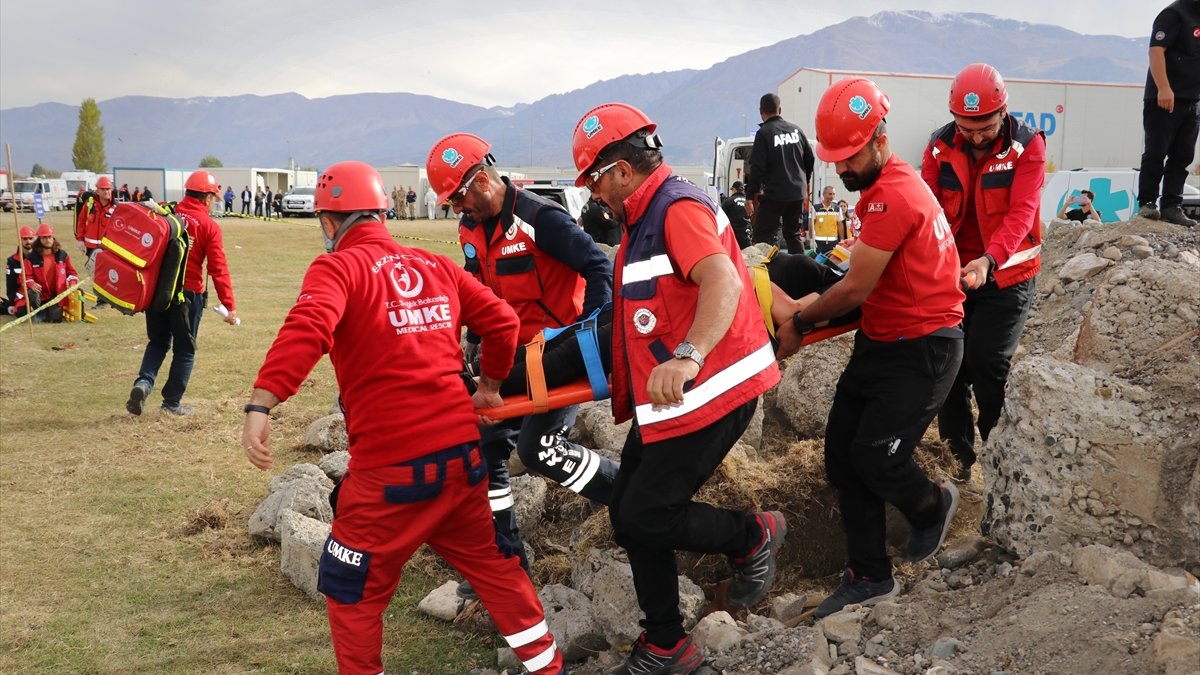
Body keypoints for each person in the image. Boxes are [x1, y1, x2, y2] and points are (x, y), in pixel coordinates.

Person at [241, 161, 564, 675]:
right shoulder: (433, 265)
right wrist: (488, 388)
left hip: (391, 474)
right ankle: (549, 667)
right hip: (461, 461)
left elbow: (309, 326)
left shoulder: (337, 269)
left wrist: (262, 402)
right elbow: (503, 321)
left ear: (328, 222)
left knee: (350, 590)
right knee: (496, 571)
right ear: (383, 213)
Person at [571, 102, 785, 673]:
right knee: (630, 510)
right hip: (677, 397)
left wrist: (689, 355)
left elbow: (720, 279)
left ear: (620, 169)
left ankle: (751, 535)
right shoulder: (647, 214)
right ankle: (666, 641)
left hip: (712, 388)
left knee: (645, 514)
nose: (594, 194)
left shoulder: (675, 208)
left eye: (594, 179)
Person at [787, 78, 964, 619]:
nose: (839, 169)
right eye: (833, 158)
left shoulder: (893, 194)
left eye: (848, 156)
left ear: (879, 139)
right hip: (883, 342)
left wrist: (799, 316)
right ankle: (868, 576)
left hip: (924, 348)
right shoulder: (883, 187)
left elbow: (855, 288)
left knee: (874, 458)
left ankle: (931, 505)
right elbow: (855, 274)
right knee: (842, 457)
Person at [426, 132, 619, 599]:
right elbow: (477, 294)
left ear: (482, 180)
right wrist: (473, 346)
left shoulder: (541, 218)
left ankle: (630, 496)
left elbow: (599, 268)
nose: (457, 209)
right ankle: (505, 561)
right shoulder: (470, 231)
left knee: (539, 450)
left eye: (458, 199)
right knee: (484, 444)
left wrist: (590, 332)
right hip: (508, 359)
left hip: (558, 352)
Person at [920, 63, 1045, 481]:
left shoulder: (1027, 148)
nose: (975, 136)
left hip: (1006, 274)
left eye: (985, 127)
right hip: (953, 275)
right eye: (966, 127)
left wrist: (988, 260)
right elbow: (928, 208)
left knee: (987, 362)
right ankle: (957, 465)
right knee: (949, 366)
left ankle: (1001, 455)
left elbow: (1021, 214)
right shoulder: (939, 146)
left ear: (1003, 112)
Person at [126, 170, 238, 417]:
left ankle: (143, 383)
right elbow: (218, 269)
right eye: (214, 198)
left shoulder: (167, 213)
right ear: (207, 198)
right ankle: (171, 403)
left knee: (157, 342)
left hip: (157, 291)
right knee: (185, 350)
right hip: (188, 297)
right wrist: (229, 305)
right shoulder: (209, 226)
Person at [1136, 0, 1200, 227]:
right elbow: (1156, 51)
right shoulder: (1174, 13)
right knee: (1156, 152)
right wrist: (1163, 87)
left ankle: (1172, 206)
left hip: (1192, 100)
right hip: (1164, 98)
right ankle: (1147, 203)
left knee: (1183, 156)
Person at [747, 93, 815, 254]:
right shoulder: (797, 131)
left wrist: (750, 196)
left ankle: (767, 274)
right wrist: (804, 181)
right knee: (793, 234)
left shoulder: (764, 133)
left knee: (763, 234)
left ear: (761, 111)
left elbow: (757, 166)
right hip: (797, 193)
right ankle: (801, 273)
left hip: (775, 194)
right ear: (780, 109)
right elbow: (810, 158)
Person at [26, 224, 80, 323]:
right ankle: (39, 312)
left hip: (57, 295)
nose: (47, 240)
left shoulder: (62, 255)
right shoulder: (31, 257)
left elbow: (72, 273)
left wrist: (72, 283)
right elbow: (25, 276)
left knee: (55, 319)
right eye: (44, 237)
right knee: (32, 292)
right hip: (41, 294)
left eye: (49, 237)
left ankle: (49, 312)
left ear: (53, 237)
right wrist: (31, 284)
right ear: (39, 239)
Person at [75, 175, 115, 261]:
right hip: (91, 249)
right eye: (103, 189)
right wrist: (80, 240)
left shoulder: (116, 208)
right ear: (97, 191)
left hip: (108, 250)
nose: (106, 192)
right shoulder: (89, 204)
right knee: (94, 273)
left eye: (108, 189)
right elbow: (81, 221)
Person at [4, 226, 36, 316]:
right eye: (25, 239)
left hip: (39, 294)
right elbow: (10, 285)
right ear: (20, 240)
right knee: (22, 313)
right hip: (22, 296)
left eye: (30, 238)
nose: (28, 241)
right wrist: (11, 304)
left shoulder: (39, 258)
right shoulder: (12, 261)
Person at [812, 185, 848, 253]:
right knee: (818, 263)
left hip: (833, 243)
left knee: (832, 263)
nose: (832, 196)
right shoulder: (815, 208)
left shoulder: (837, 209)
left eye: (834, 194)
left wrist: (842, 240)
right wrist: (812, 240)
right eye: (830, 194)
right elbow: (811, 224)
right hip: (818, 243)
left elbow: (840, 225)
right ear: (824, 194)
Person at [720, 180, 754, 249]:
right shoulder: (748, 203)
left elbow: (721, 217)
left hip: (732, 234)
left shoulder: (728, 201)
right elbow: (752, 215)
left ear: (734, 189)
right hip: (746, 234)